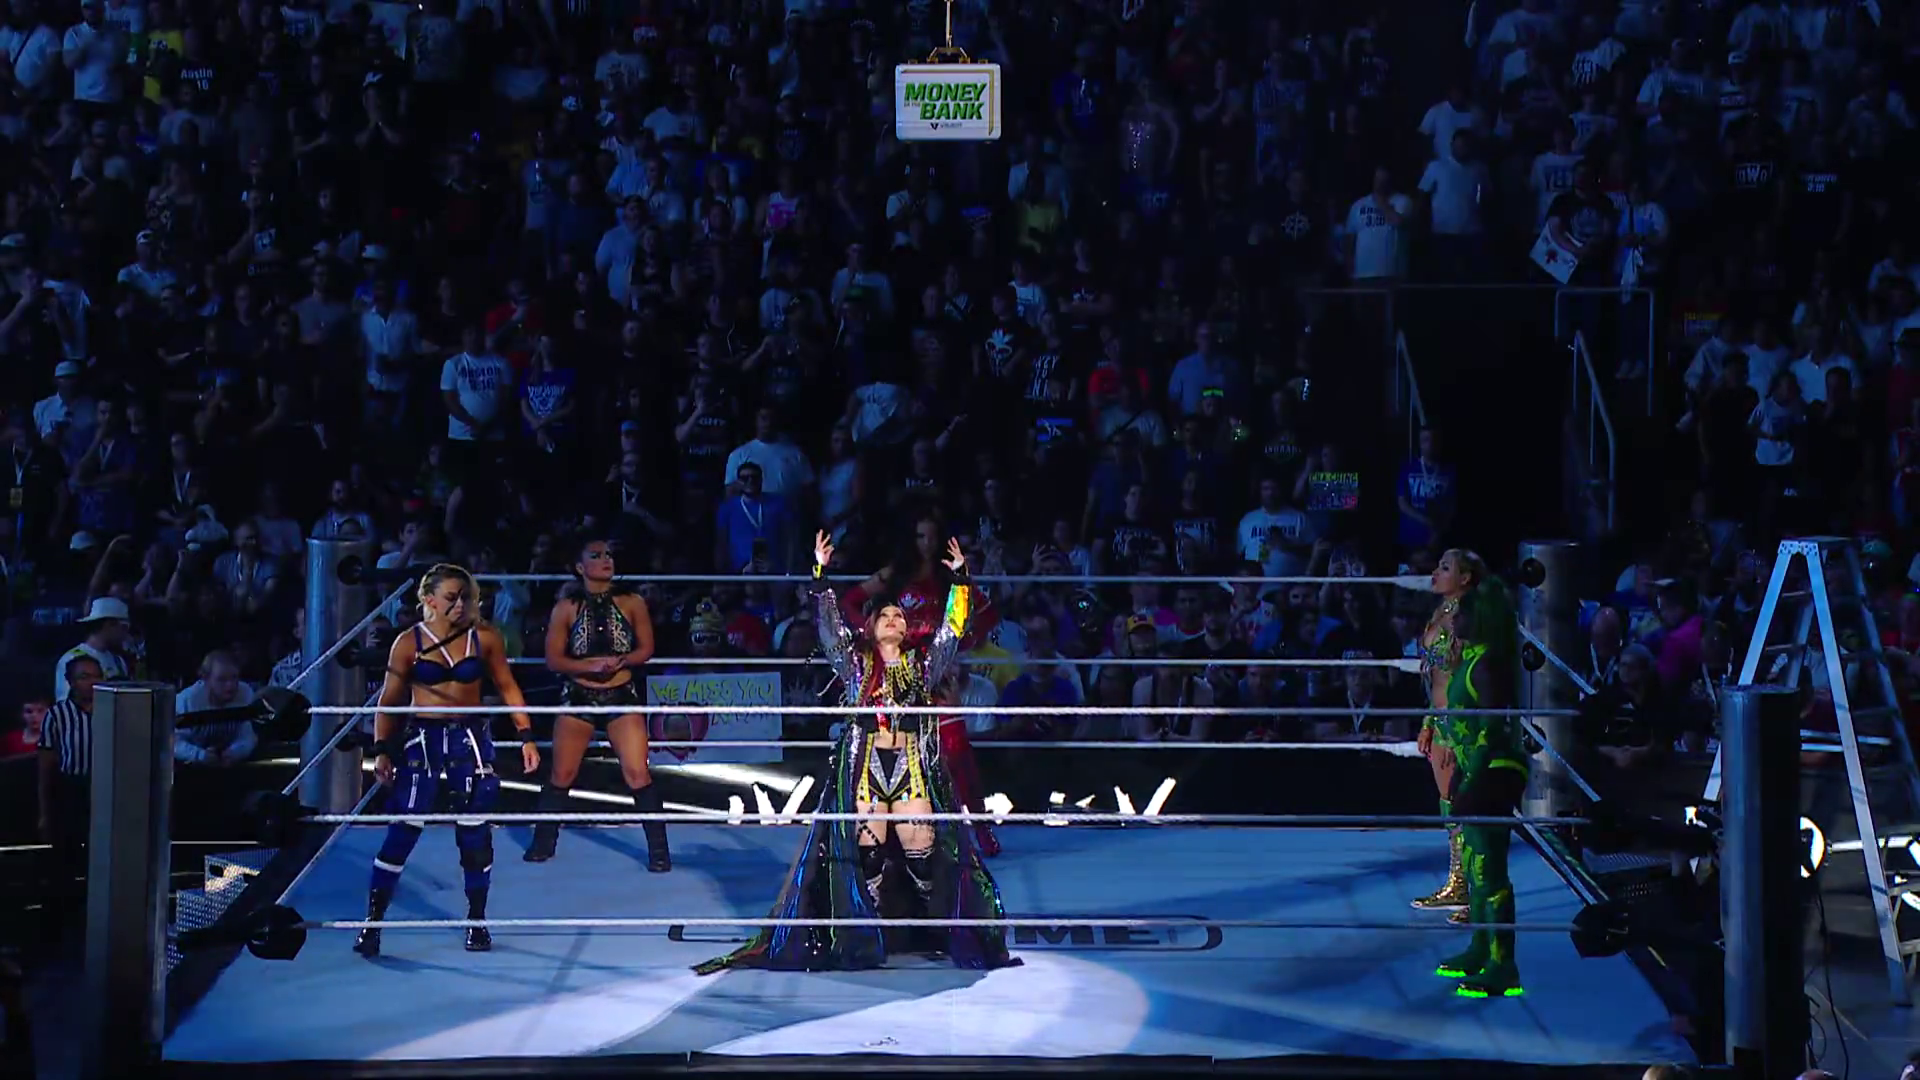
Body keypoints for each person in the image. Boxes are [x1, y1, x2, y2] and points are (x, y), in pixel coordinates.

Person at [694, 531, 1018, 974]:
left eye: (899, 615)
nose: (894, 619)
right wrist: (820, 574)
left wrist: (961, 579)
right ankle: (869, 933)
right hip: (865, 767)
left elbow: (950, 631)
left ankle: (933, 929)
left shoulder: (923, 665)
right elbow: (828, 628)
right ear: (871, 626)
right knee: (867, 853)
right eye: (885, 614)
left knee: (922, 850)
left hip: (910, 766)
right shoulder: (855, 664)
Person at [356, 565, 539, 957]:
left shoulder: (485, 637)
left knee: (474, 831)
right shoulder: (408, 642)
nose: (460, 604)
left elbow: (508, 687)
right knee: (404, 827)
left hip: (470, 736)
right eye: (452, 597)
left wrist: (526, 735)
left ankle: (477, 920)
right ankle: (372, 923)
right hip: (424, 735)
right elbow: (389, 700)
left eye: (466, 597)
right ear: (430, 600)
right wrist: (381, 749)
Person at [844, 514, 1003, 855]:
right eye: (920, 536)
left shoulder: (948, 577)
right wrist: (871, 635)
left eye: (932, 537)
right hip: (896, 673)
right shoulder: (893, 575)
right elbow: (849, 602)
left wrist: (960, 643)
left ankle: (981, 828)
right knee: (899, 754)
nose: (927, 544)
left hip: (938, 671)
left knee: (956, 751)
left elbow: (987, 614)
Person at [526, 538, 662, 868]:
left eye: (609, 555)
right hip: (579, 694)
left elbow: (646, 648)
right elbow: (554, 659)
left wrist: (623, 660)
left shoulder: (632, 602)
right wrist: (588, 666)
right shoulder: (565, 608)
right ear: (580, 566)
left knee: (637, 772)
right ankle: (543, 844)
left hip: (620, 693)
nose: (606, 560)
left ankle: (660, 852)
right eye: (597, 556)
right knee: (562, 772)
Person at [1432, 575, 1527, 998]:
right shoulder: (1470, 660)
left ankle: (1503, 965)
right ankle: (1480, 948)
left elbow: (1491, 725)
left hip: (1493, 771)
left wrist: (1474, 779)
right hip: (1475, 770)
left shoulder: (1487, 663)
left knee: (1490, 871)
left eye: (1464, 611)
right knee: (1474, 866)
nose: (1456, 618)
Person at [1411, 548, 1489, 923]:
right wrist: (1429, 721)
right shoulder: (1440, 611)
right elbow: (1436, 676)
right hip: (1441, 718)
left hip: (1465, 722)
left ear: (1465, 578)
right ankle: (1459, 884)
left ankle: (1481, 893)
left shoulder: (1473, 617)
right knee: (1449, 805)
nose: (1436, 572)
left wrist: (1460, 727)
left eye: (1446, 567)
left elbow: (1474, 676)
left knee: (1470, 807)